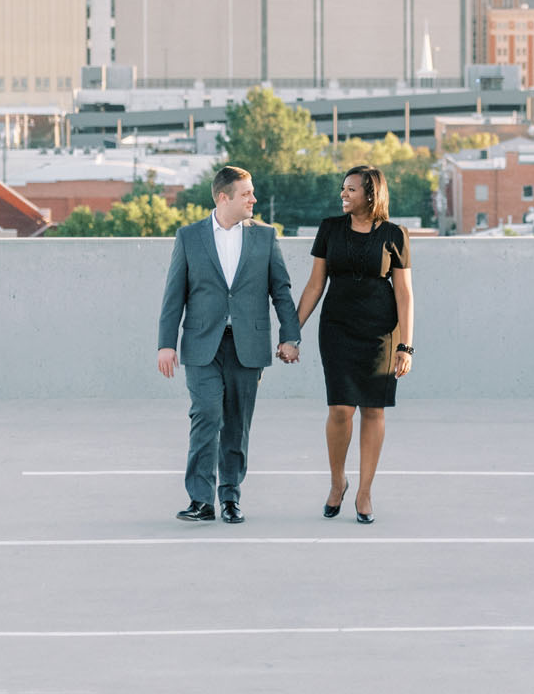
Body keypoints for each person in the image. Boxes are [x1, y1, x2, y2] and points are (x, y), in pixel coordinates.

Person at [156, 165, 300, 523]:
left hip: (247, 344)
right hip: (202, 345)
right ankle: (200, 499)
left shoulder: (265, 237)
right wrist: (165, 343)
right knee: (206, 414)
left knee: (236, 424)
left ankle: (231, 497)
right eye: (246, 193)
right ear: (224, 197)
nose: (253, 198)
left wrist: (290, 336)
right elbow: (174, 294)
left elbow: (280, 291)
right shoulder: (189, 237)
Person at [295, 164, 414, 524]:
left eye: (350, 190)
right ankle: (337, 483)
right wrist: (291, 331)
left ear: (370, 194)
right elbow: (315, 284)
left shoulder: (395, 235)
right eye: (343, 189)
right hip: (337, 330)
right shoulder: (330, 229)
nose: (343, 195)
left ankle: (364, 492)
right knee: (341, 410)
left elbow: (405, 294)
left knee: (373, 410)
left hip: (381, 333)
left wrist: (405, 346)